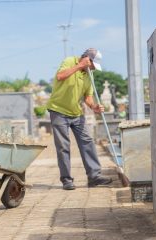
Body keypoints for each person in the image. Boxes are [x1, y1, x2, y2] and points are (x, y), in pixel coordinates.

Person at [46, 48, 112, 190]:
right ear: (87, 59)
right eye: (92, 65)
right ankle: (66, 180)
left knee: (87, 141)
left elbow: (87, 96)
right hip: (58, 110)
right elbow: (60, 76)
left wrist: (93, 106)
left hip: (76, 112)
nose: (93, 69)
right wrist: (79, 66)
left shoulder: (89, 75)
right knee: (63, 146)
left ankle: (94, 177)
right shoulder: (70, 61)